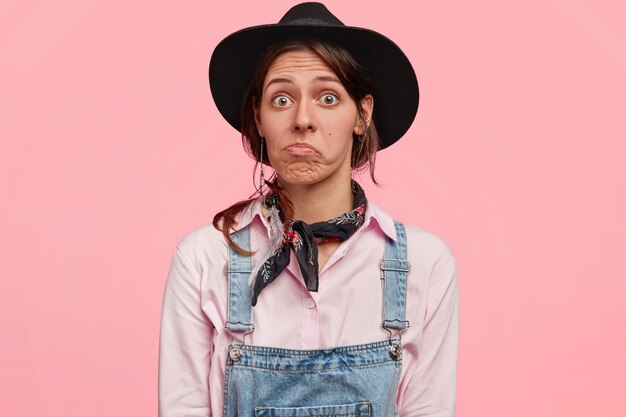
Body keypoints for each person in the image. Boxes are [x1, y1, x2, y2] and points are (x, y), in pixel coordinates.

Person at [158, 3, 459, 417]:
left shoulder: (424, 263)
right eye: (281, 98)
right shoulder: (203, 259)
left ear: (362, 114)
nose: (302, 119)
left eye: (328, 97)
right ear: (259, 119)